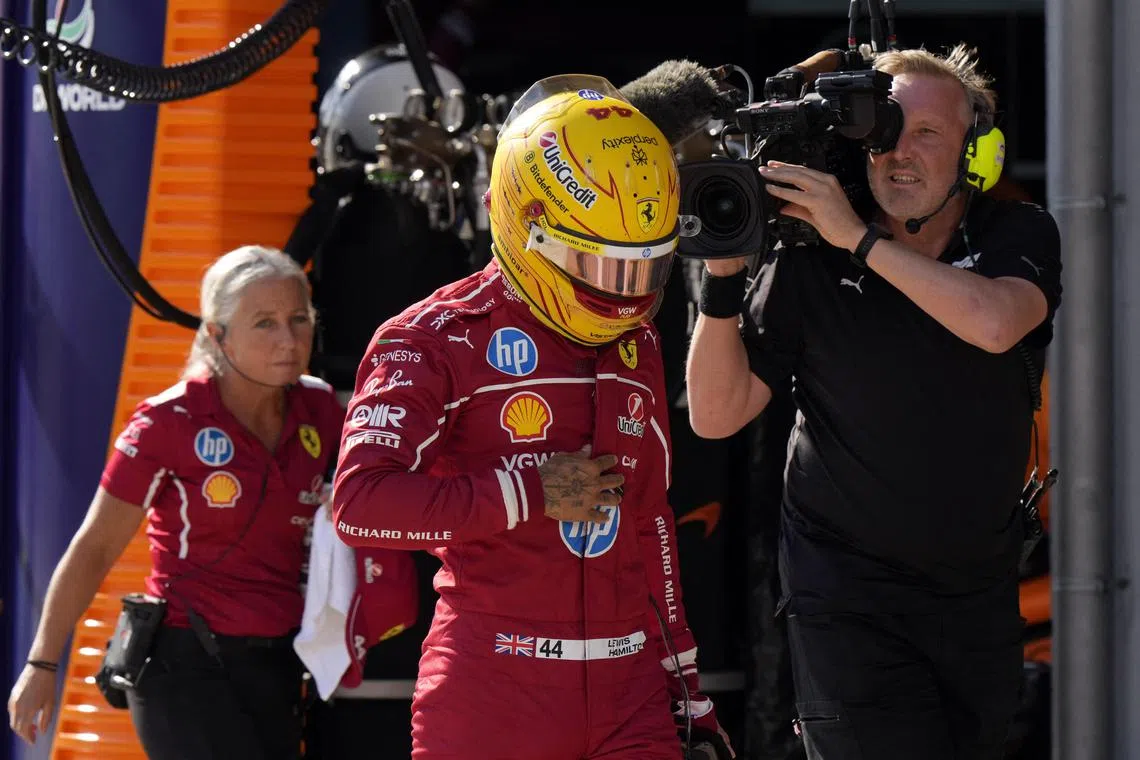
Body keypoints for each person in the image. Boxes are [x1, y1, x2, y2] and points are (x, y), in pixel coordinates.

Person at [332, 75, 734, 759]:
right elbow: (360, 504)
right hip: (493, 690)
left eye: (640, 269)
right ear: (527, 228)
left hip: (631, 690)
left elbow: (648, 522)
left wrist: (687, 688)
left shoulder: (639, 342)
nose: (623, 292)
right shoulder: (430, 337)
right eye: (597, 264)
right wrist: (527, 493)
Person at [686, 45, 1062, 760]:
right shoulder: (807, 259)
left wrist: (855, 240)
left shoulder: (1016, 233)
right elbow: (716, 412)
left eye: (927, 134)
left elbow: (993, 322)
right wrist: (723, 284)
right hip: (846, 600)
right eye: (884, 130)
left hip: (976, 601)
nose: (900, 154)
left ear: (972, 152)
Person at [7, 246, 346, 759]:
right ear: (218, 335)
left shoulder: (320, 406)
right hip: (182, 664)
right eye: (264, 323)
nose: (288, 339)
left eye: (299, 319)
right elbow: (95, 547)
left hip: (279, 662)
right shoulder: (168, 422)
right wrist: (42, 664)